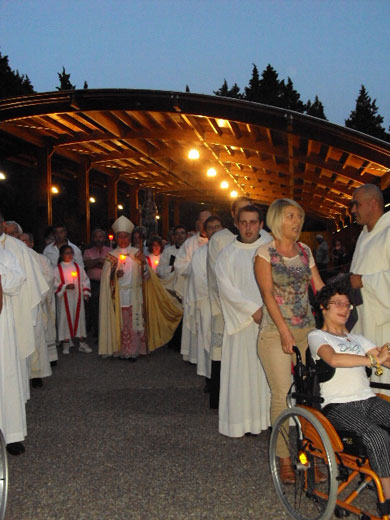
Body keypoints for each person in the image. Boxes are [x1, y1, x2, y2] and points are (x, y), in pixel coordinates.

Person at [254, 198, 324, 482]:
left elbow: (318, 287)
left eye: (299, 217)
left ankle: (314, 454)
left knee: (311, 395)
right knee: (282, 394)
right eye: (291, 216)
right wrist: (284, 331)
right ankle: (284, 458)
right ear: (276, 219)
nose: (297, 222)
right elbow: (268, 295)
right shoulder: (264, 253)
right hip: (274, 331)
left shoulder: (306, 250)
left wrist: (337, 309)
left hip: (307, 331)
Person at [308, 282, 390, 512]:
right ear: (324, 307)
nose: (345, 309)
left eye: (348, 304)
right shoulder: (317, 336)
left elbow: (384, 359)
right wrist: (373, 360)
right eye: (338, 304)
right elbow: (333, 359)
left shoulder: (358, 339)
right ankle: (387, 502)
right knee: (376, 435)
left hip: (369, 400)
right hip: (338, 406)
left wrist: (382, 357)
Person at [215, 205, 272, 437]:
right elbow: (226, 290)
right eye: (244, 222)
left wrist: (268, 313)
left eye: (253, 222)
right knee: (242, 376)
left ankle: (269, 419)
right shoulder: (226, 254)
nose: (248, 227)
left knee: (267, 373)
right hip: (242, 326)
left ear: (261, 224)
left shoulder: (271, 251)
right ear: (236, 224)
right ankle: (242, 423)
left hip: (269, 321)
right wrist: (253, 311)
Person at [207, 196, 252, 409]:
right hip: (226, 308)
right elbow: (215, 276)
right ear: (233, 215)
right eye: (240, 211)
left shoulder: (264, 238)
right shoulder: (220, 239)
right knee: (224, 355)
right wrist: (233, 305)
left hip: (254, 310)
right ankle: (223, 400)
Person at [349, 184, 390, 393]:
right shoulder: (364, 235)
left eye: (356, 204)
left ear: (373, 204)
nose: (353, 210)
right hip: (364, 321)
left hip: (385, 323)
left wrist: (364, 281)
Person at [99, 216, 147, 360]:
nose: (123, 240)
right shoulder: (111, 256)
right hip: (118, 294)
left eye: (126, 237)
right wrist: (114, 274)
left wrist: (144, 268)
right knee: (121, 322)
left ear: (130, 237)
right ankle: (119, 349)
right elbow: (105, 279)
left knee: (133, 322)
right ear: (116, 238)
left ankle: (134, 351)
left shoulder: (136, 253)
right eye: (120, 237)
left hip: (134, 293)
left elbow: (145, 273)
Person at [185, 216, 223, 379]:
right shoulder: (200, 254)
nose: (214, 231)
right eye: (210, 228)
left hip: (228, 304)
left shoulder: (230, 249)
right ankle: (210, 377)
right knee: (208, 340)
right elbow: (200, 279)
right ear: (205, 232)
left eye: (217, 227)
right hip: (208, 302)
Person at [0, 244, 28, 455]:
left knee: (6, 374)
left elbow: (17, 280)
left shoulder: (5, 253)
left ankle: (12, 435)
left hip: (2, 322)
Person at [174, 211, 211, 361]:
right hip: (194, 291)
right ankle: (195, 357)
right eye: (202, 221)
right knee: (195, 324)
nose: (205, 225)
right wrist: (196, 267)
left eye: (208, 221)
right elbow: (179, 265)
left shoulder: (220, 242)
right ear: (198, 223)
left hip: (211, 293)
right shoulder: (189, 244)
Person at [54, 245, 92, 355]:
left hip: (77, 298)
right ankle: (66, 343)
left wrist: (85, 292)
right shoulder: (58, 269)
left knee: (79, 318)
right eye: (66, 253)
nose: (69, 255)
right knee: (65, 319)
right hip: (64, 299)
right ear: (61, 255)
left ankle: (82, 343)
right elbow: (54, 283)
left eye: (71, 252)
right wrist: (65, 286)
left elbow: (85, 280)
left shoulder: (78, 267)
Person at [83, 229, 112, 338]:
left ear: (104, 238)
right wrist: (100, 260)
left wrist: (96, 263)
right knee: (94, 309)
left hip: (107, 283)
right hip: (93, 283)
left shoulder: (110, 250)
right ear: (93, 238)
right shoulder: (88, 252)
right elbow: (87, 264)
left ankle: (106, 331)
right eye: (96, 236)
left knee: (106, 308)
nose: (98, 239)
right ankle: (97, 332)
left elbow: (110, 265)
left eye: (100, 237)